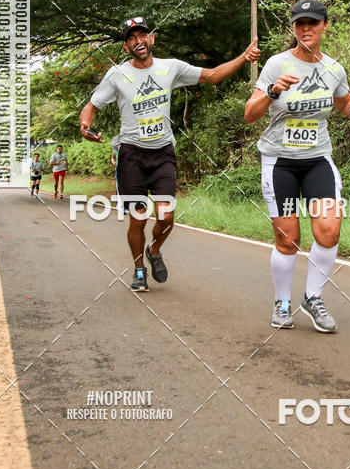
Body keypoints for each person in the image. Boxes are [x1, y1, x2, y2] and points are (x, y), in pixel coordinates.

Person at [79, 15, 261, 292]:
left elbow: (212, 75)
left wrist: (243, 57)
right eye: (131, 38)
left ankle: (155, 250)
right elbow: (91, 106)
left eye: (142, 35)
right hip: (132, 155)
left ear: (151, 39)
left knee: (166, 216)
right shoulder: (117, 75)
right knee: (138, 217)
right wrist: (85, 124)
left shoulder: (171, 68)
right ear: (127, 47)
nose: (137, 41)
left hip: (163, 153)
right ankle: (139, 269)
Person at [244, 0, 350, 333]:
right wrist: (273, 92)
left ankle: (313, 297)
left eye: (313, 23)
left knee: (329, 230)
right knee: (288, 240)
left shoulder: (333, 69)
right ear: (294, 28)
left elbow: (343, 100)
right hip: (280, 163)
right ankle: (282, 303)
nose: (306, 29)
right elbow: (250, 114)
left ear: (324, 26)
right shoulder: (276, 64)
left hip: (318, 159)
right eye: (300, 24)